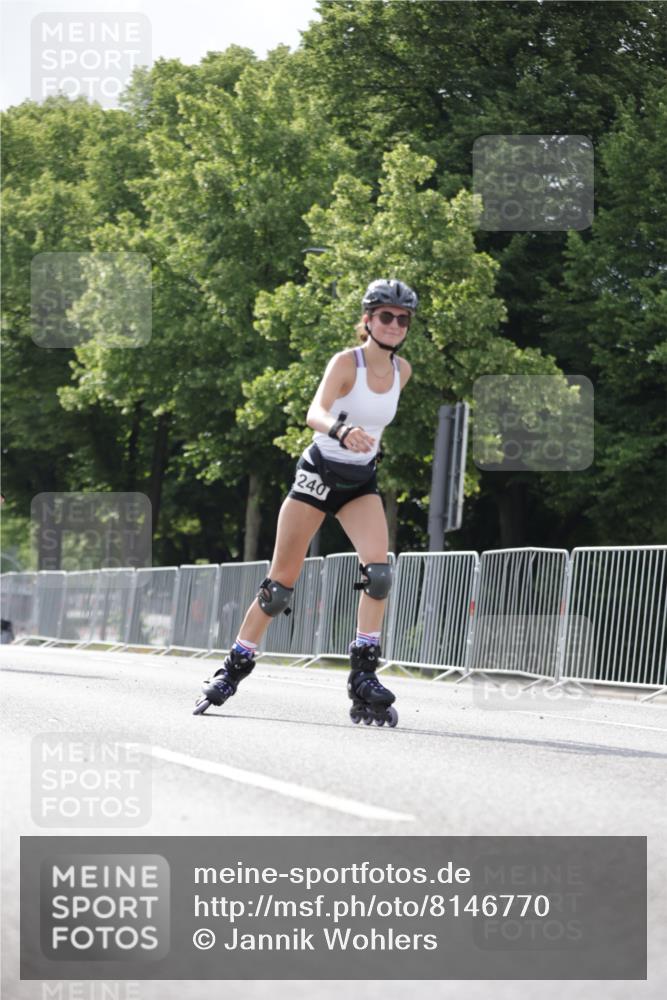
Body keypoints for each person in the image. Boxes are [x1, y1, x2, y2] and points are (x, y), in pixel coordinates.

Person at [193, 278, 418, 726]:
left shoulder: (402, 371)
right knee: (279, 588)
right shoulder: (346, 362)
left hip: (359, 482)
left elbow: (378, 424)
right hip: (317, 475)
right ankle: (233, 666)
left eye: (402, 318)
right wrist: (339, 430)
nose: (394, 325)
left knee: (379, 574)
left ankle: (363, 676)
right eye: (385, 316)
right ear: (368, 320)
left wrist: (365, 448)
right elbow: (314, 412)